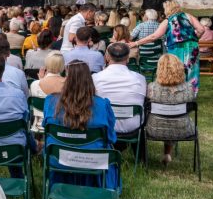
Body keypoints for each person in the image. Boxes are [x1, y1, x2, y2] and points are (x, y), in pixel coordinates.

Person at [43, 61, 118, 189]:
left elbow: (46, 130)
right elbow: (111, 137)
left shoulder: (50, 102)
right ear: (89, 79)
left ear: (66, 79)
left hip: (59, 158)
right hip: (93, 160)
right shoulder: (102, 105)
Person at [130, 0, 206, 93]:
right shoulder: (188, 16)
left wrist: (136, 43)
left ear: (168, 9)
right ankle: (192, 93)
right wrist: (194, 39)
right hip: (192, 47)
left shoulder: (168, 21)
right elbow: (201, 29)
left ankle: (178, 92)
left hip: (176, 47)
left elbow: (154, 36)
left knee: (176, 69)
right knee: (192, 69)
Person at [146, 54, 196, 164]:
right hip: (183, 130)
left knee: (164, 118)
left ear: (159, 69)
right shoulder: (189, 88)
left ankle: (166, 154)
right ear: (179, 68)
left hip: (154, 130)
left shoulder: (151, 88)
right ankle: (167, 153)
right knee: (174, 118)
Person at [91, 42, 147, 134]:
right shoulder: (140, 78)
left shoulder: (95, 78)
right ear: (128, 58)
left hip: (104, 123)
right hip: (132, 124)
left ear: (107, 57)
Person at [29, 51, 65, 133]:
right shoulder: (69, 84)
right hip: (60, 127)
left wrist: (40, 80)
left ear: (47, 64)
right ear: (62, 65)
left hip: (39, 126)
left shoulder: (35, 84)